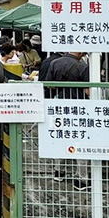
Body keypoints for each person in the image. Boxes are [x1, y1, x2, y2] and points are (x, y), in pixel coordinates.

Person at [44, 52, 90, 190]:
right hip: (78, 107)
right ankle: (81, 180)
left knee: (60, 138)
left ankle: (59, 172)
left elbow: (49, 85)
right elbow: (88, 91)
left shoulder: (54, 63)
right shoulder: (83, 67)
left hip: (59, 105)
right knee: (80, 139)